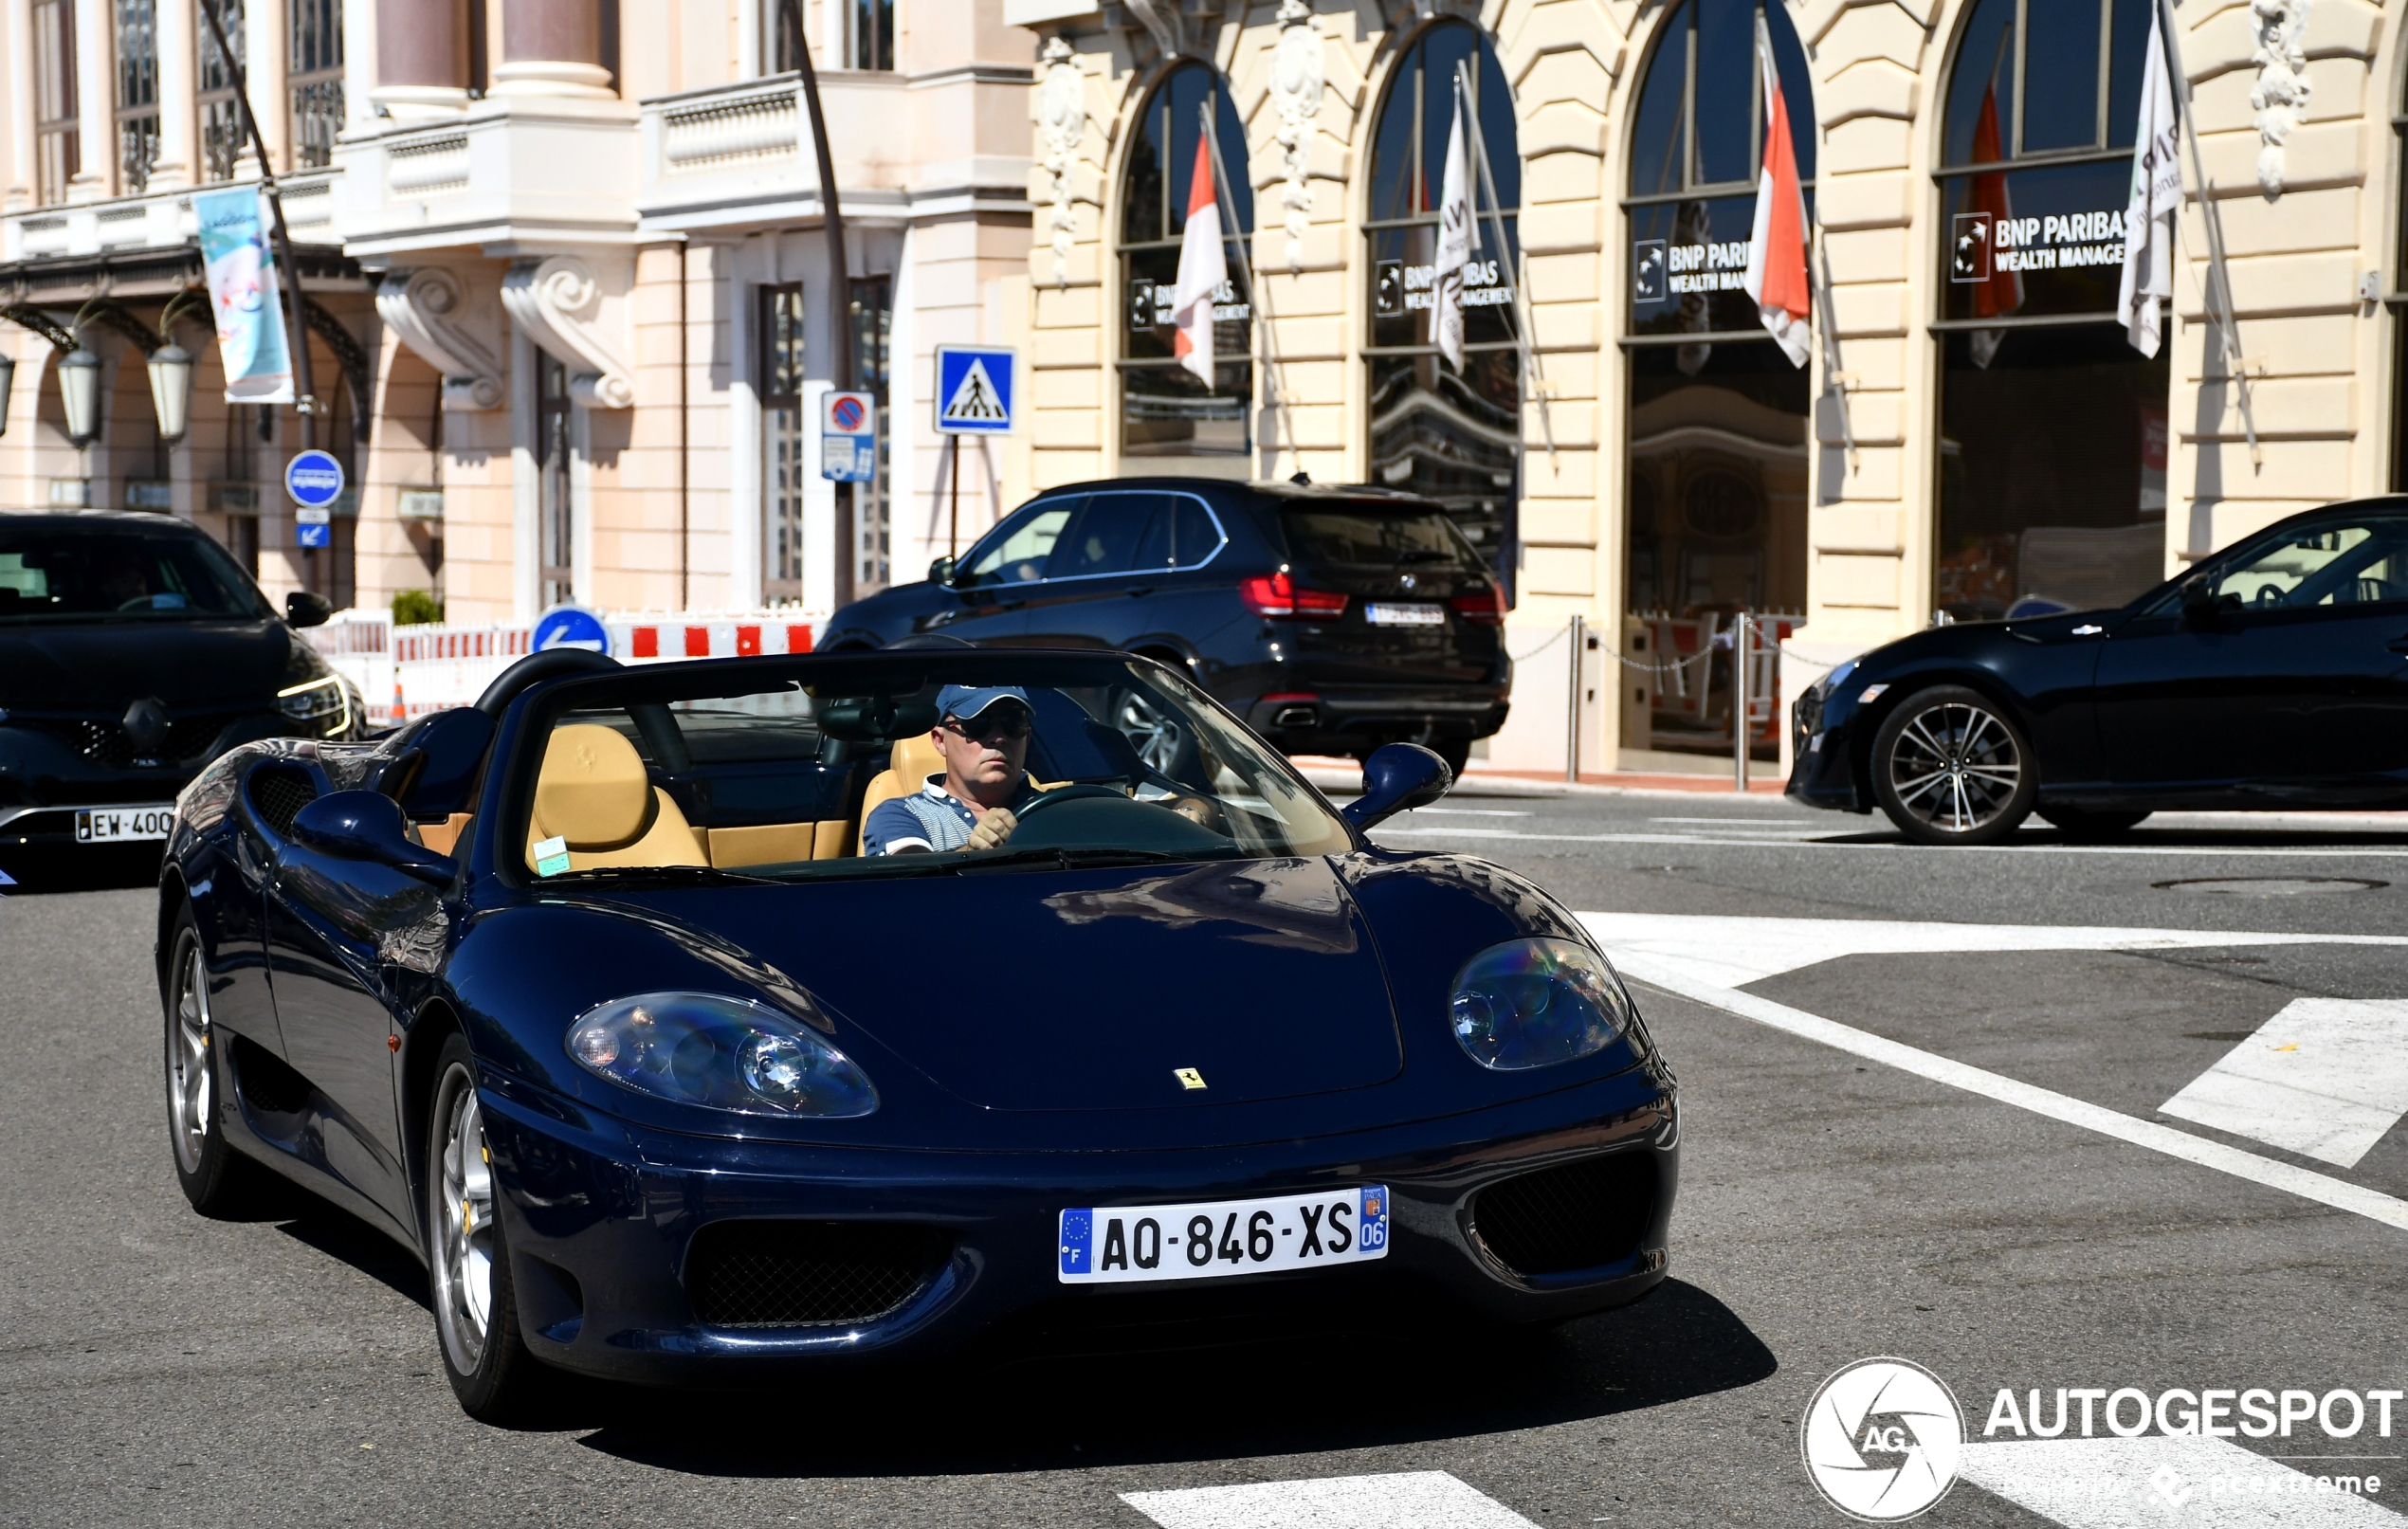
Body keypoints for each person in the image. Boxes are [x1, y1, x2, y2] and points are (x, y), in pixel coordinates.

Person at [862, 685, 1044, 855]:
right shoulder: (900, 815)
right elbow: (911, 883)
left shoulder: (1056, 809)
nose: (998, 738)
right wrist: (973, 852)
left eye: (1012, 722)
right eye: (977, 724)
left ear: (1027, 738)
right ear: (940, 741)